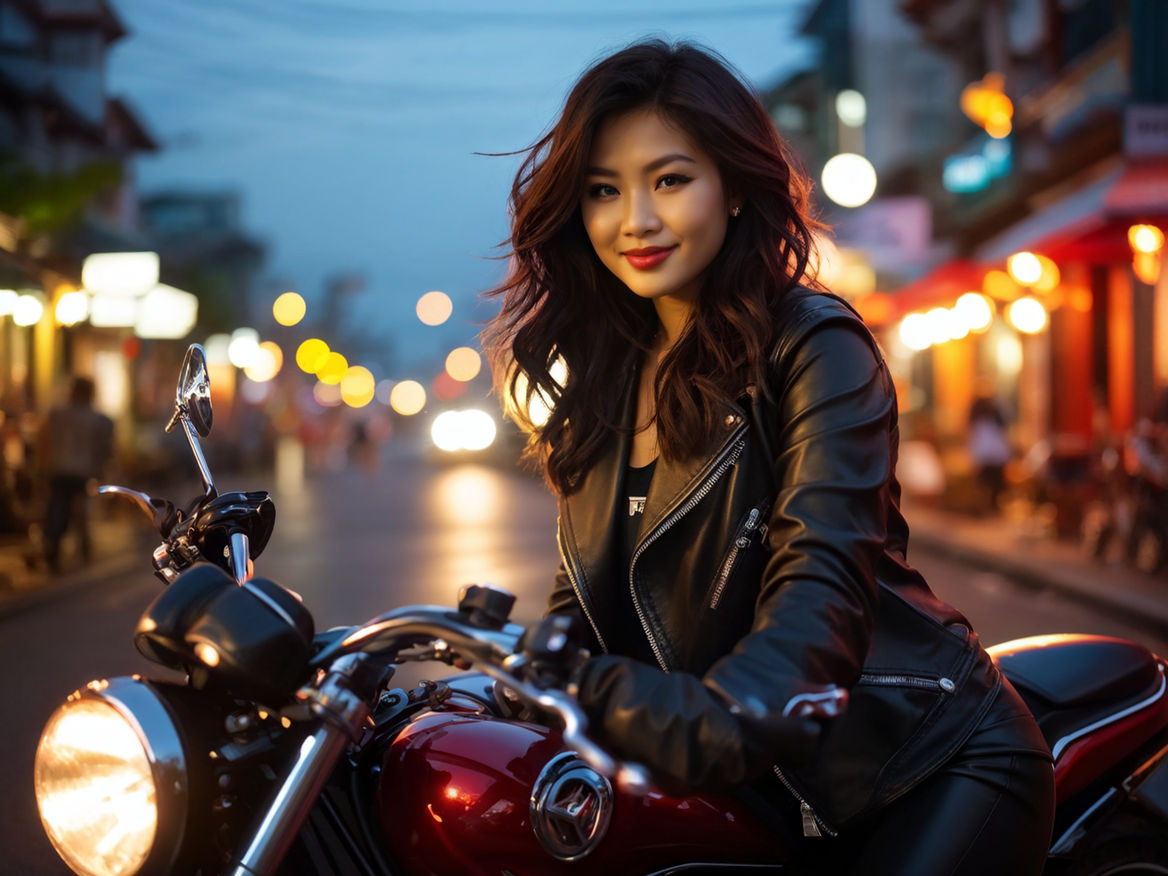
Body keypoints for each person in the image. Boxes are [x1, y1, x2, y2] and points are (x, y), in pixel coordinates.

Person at [483, 40, 1054, 874]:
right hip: (742, 787)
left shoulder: (815, 345)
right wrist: (508, 676)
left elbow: (816, 601)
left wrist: (673, 710)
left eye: (669, 179)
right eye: (604, 191)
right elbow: (586, 612)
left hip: (919, 767)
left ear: (737, 189)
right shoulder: (603, 379)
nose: (634, 219)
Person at [39, 376, 113, 572]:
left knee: (57, 509)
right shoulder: (98, 420)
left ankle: (53, 548)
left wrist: (42, 466)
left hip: (58, 469)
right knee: (81, 511)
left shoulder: (57, 415)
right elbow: (103, 448)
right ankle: (83, 548)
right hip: (82, 471)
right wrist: (101, 469)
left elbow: (44, 440)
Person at [967, 379, 1012, 514]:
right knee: (983, 480)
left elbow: (1004, 424)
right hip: (985, 449)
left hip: (994, 450)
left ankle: (993, 505)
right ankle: (983, 506)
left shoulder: (997, 407)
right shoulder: (977, 410)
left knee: (995, 480)